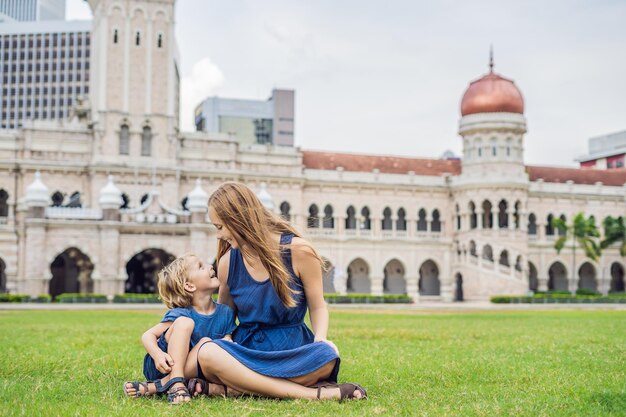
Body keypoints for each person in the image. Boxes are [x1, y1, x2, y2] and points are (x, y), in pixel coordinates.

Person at [189, 182, 367, 401]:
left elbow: (318, 305)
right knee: (208, 353)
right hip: (247, 350)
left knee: (328, 355)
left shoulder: (299, 251)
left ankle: (236, 387)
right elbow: (225, 318)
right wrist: (222, 336)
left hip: (292, 351)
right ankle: (310, 395)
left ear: (238, 220)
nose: (218, 235)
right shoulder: (227, 263)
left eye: (220, 227)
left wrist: (320, 338)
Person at [123, 254, 237, 404]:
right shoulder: (182, 313)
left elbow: (227, 339)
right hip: (165, 366)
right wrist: (157, 355)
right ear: (189, 286)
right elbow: (148, 335)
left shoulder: (226, 313)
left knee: (207, 343)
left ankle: (155, 387)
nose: (210, 266)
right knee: (185, 323)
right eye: (201, 266)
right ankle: (176, 384)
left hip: (195, 367)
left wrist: (227, 342)